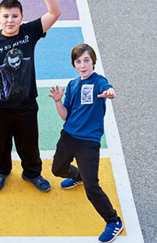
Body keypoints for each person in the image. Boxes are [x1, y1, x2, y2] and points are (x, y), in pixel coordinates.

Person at [0, 0, 61, 192]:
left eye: (14, 16)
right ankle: (2, 170)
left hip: (27, 105)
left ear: (22, 17)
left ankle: (32, 173)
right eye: (6, 16)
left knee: (29, 143)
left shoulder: (29, 32)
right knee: (2, 143)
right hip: (0, 107)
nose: (10, 20)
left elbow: (54, 13)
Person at [49, 44, 123, 243]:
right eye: (78, 61)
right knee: (57, 170)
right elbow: (66, 115)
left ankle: (113, 221)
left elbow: (107, 88)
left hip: (88, 142)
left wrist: (111, 92)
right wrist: (58, 102)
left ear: (93, 61)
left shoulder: (99, 81)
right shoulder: (73, 85)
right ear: (74, 64)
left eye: (86, 60)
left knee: (92, 187)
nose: (83, 65)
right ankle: (78, 176)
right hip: (69, 136)